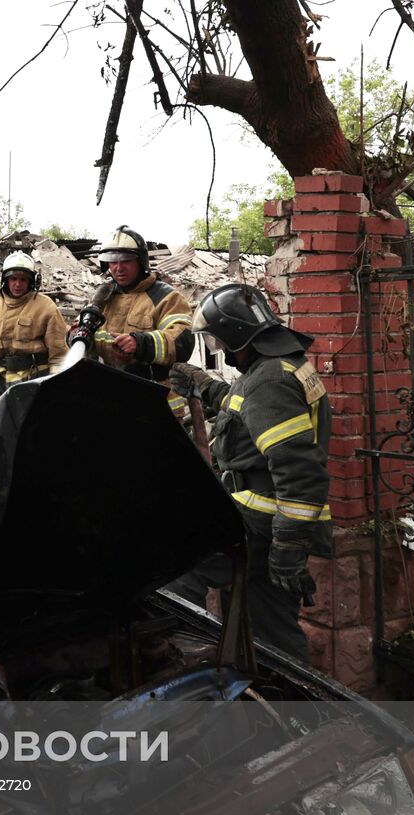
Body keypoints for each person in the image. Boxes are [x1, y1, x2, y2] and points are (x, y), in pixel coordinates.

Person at [169, 283, 331, 664]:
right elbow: (248, 413)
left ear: (236, 333)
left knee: (177, 566)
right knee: (273, 633)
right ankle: (293, 713)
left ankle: (185, 657)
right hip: (269, 524)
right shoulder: (280, 366)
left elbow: (300, 472)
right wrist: (207, 387)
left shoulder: (269, 379)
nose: (219, 349)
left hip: (262, 525)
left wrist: (289, 548)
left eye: (218, 340)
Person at [79, 226, 194, 382]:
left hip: (154, 393)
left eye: (126, 261)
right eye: (113, 262)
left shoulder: (166, 297)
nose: (118, 268)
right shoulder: (103, 297)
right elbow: (80, 331)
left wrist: (140, 344)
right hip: (110, 391)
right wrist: (74, 334)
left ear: (141, 262)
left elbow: (183, 342)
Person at [0, 251, 67, 409]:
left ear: (32, 281)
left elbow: (59, 354)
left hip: (35, 382)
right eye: (13, 278)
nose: (17, 284)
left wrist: (56, 387)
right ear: (5, 279)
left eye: (23, 279)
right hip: (0, 383)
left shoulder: (46, 307)